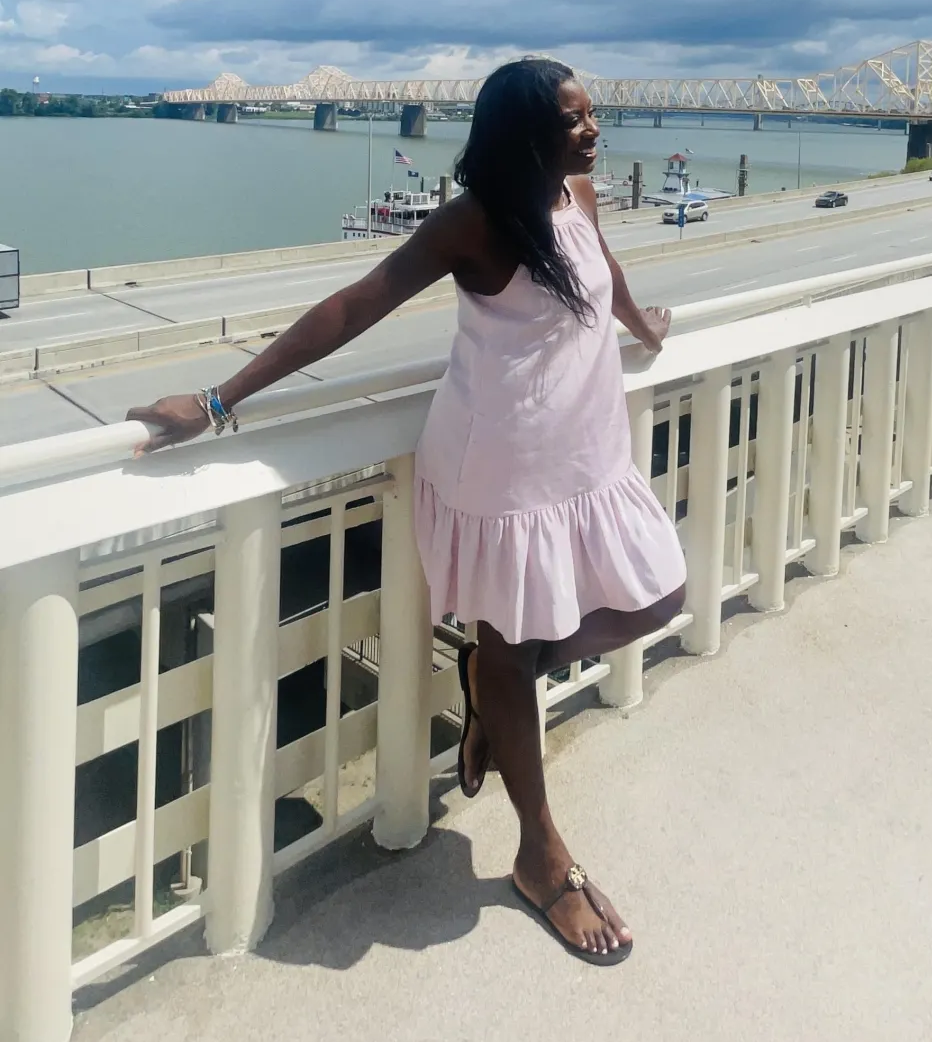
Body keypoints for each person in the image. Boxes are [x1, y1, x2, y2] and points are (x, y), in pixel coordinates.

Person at [130, 59, 687, 965]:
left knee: (648, 596)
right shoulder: (474, 221)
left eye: (595, 114)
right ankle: (541, 853)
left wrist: (642, 326)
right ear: (526, 133)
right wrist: (219, 400)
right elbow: (357, 304)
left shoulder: (579, 192)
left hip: (584, 459)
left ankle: (485, 686)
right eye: (576, 119)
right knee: (515, 644)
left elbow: (604, 268)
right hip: (498, 472)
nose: (594, 129)